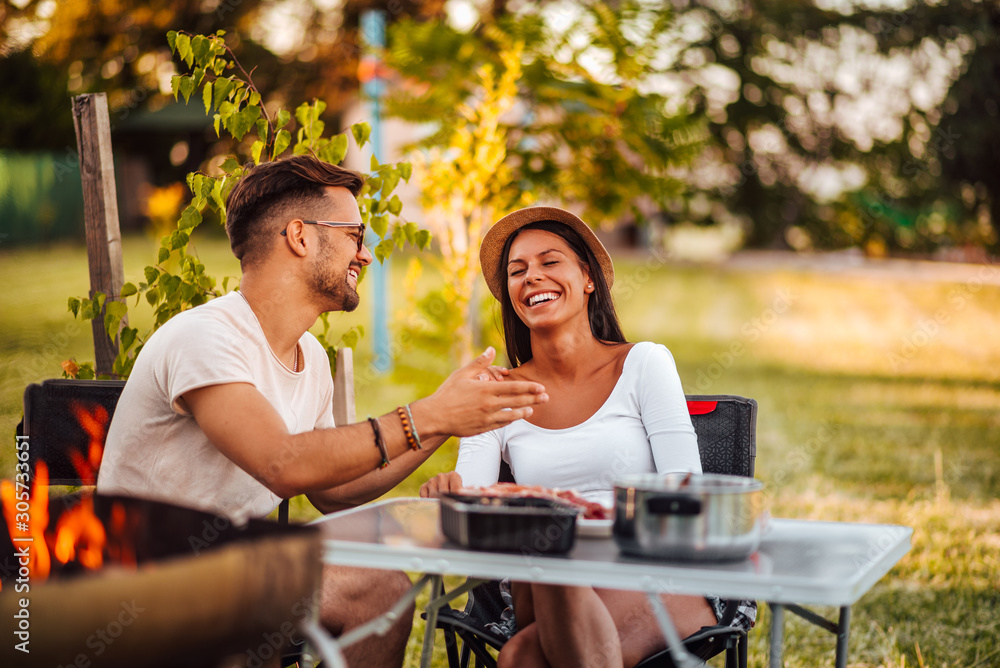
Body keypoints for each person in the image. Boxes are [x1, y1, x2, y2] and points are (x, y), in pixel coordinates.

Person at [97, 155, 549, 668]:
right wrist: (427, 415)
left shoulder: (309, 355)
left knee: (381, 587)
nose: (367, 255)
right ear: (300, 236)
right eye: (356, 235)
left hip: (228, 569)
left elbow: (333, 491)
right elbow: (283, 464)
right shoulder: (207, 336)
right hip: (146, 583)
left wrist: (445, 420)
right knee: (342, 592)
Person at [420, 206, 754, 667]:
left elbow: (684, 493)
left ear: (588, 278)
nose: (531, 277)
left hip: (652, 570)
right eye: (517, 271)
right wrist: (452, 495)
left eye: (549, 262)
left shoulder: (643, 364)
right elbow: (478, 511)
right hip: (539, 575)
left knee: (522, 655)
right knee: (550, 552)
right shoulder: (495, 392)